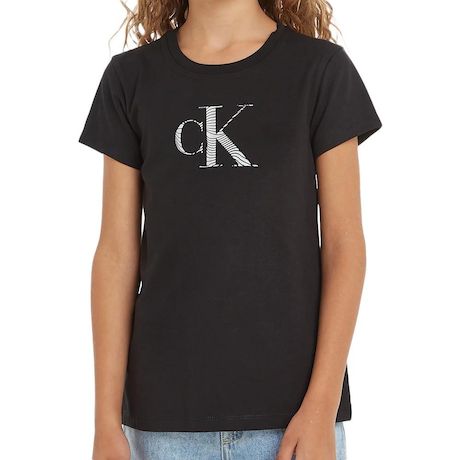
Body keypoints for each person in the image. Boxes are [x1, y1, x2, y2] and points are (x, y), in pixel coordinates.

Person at [78, 0, 382, 458]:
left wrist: (322, 406)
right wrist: (105, 423)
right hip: (165, 425)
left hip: (295, 422)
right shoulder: (130, 78)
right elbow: (116, 255)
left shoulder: (320, 71)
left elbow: (344, 245)